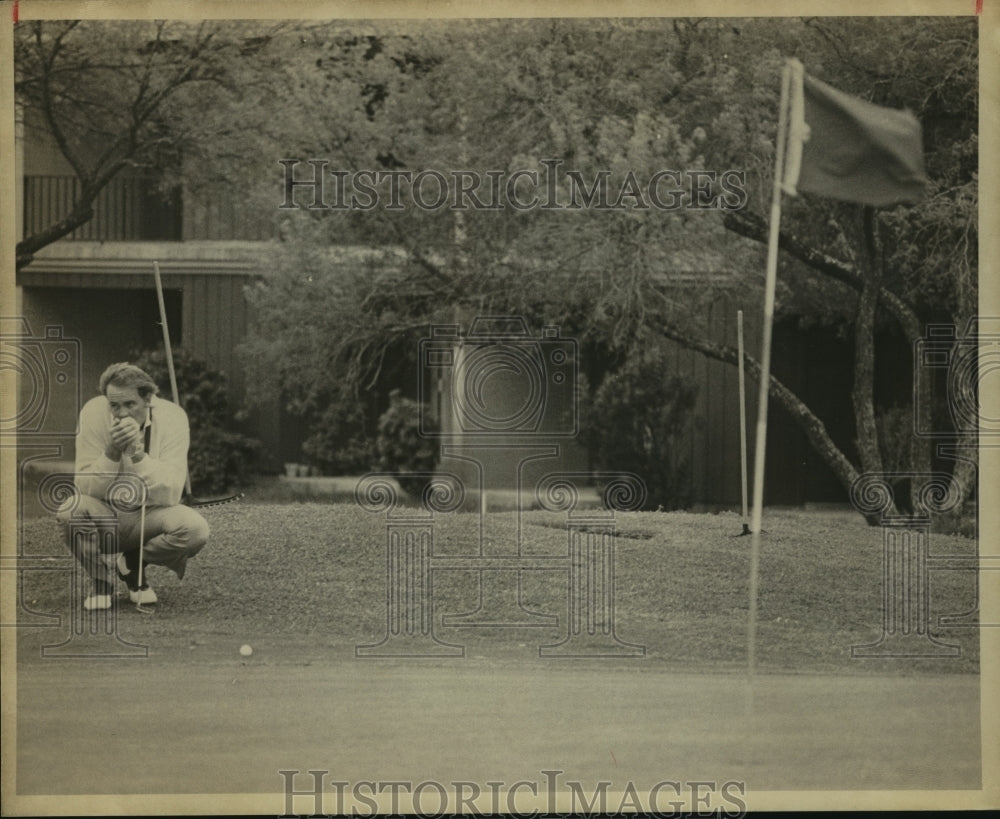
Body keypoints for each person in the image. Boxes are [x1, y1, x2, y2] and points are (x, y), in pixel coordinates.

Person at [57, 362, 210, 610]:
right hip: (106, 513)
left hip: (151, 515)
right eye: (114, 406)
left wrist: (138, 455)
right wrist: (112, 452)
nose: (122, 414)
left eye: (130, 404)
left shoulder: (173, 417)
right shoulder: (92, 413)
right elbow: (84, 488)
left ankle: (133, 561)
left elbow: (171, 493)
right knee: (70, 509)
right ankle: (101, 581)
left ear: (148, 399)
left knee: (196, 530)